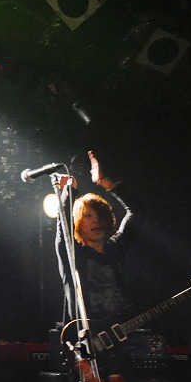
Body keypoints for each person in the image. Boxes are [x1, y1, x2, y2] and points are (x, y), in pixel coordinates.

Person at [54, 151, 137, 357]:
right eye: (88, 215)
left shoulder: (114, 248)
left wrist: (106, 182)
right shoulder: (73, 252)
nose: (96, 220)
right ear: (79, 223)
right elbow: (63, 226)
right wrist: (69, 191)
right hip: (82, 342)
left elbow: (137, 211)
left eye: (100, 215)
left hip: (116, 339)